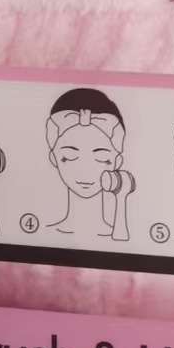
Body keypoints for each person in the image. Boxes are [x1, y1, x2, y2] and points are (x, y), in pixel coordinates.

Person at [45, 87, 128, 237]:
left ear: (117, 161)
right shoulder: (44, 235)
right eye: (70, 155)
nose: (85, 169)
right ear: (53, 157)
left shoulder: (120, 235)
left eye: (101, 157)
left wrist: (121, 199)